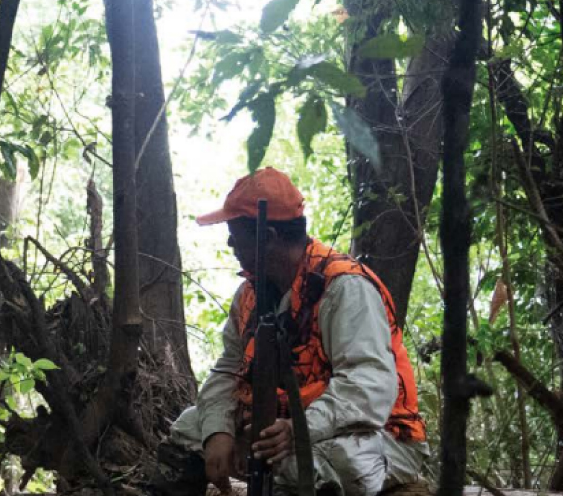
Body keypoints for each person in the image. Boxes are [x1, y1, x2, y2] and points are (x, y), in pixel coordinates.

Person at [151, 168, 429, 496]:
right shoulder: (249, 294)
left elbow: (368, 386)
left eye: (235, 233)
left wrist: (299, 429)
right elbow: (227, 370)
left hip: (377, 436)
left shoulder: (344, 288)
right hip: (282, 428)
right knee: (189, 427)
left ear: (267, 237)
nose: (229, 244)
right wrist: (218, 433)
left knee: (305, 464)